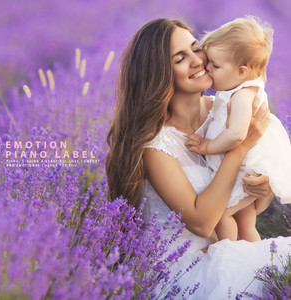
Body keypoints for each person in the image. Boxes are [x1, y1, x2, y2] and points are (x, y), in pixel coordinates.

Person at [105, 18, 291, 299]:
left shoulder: (229, 107)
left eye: (196, 48)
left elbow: (251, 199)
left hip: (232, 250)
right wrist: (239, 148)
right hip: (186, 270)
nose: (197, 61)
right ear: (158, 74)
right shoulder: (154, 144)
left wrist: (261, 189)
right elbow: (202, 223)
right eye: (181, 58)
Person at [186, 16, 291, 242]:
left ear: (242, 72)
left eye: (215, 65)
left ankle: (228, 253)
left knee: (221, 217)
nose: (207, 68)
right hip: (242, 169)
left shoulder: (243, 95)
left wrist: (207, 145)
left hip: (243, 172)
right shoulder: (236, 91)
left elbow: (237, 134)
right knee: (245, 219)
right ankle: (253, 256)